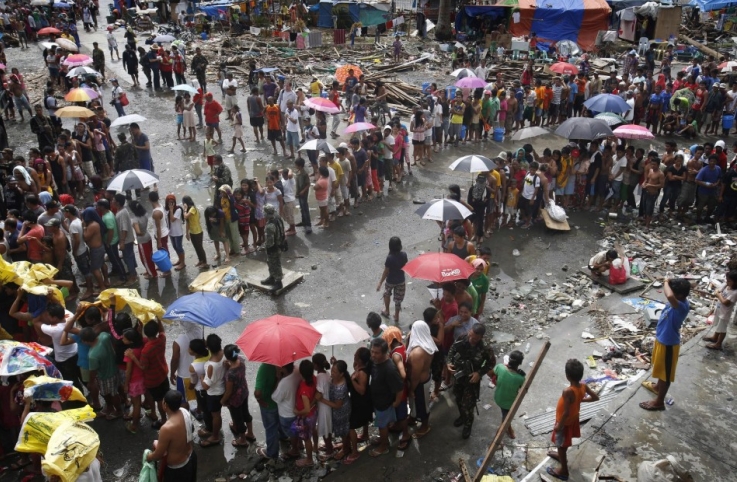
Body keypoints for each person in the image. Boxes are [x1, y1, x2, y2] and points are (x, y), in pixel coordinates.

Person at [640, 278, 691, 411]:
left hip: (669, 344)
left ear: (679, 295)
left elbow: (668, 295)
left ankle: (659, 402)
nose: (670, 294)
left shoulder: (681, 306)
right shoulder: (677, 301)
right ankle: (657, 387)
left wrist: (666, 282)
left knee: (665, 375)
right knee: (660, 368)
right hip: (662, 339)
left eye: (673, 292)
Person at [546, 359, 599, 481]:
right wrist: (580, 400)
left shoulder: (568, 391)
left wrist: (559, 426)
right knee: (563, 443)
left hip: (565, 422)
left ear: (567, 376)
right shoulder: (583, 386)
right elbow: (596, 397)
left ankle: (563, 471)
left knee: (561, 445)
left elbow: (566, 412)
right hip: (573, 419)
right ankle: (561, 456)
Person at [446, 323, 496, 438]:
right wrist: (449, 363)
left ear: (481, 337)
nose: (471, 339)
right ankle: (462, 417)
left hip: (471, 380)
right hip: (458, 376)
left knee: (468, 405)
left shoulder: (485, 348)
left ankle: (468, 424)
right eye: (471, 335)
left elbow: (491, 363)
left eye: (475, 338)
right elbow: (452, 350)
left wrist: (479, 373)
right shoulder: (462, 338)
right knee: (458, 398)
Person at [145, 390, 197, 482]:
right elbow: (191, 429)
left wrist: (148, 457)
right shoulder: (184, 412)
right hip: (191, 458)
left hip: (177, 469)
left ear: (165, 405)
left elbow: (158, 455)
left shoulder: (166, 428)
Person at [368, 338, 404, 457]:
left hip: (384, 403)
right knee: (382, 424)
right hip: (377, 400)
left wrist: (397, 402)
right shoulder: (374, 361)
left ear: (384, 353)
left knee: (382, 425)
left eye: (376, 353)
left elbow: (400, 387)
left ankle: (384, 446)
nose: (373, 355)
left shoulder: (389, 369)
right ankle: (383, 439)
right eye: (372, 351)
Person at [81, 327, 123, 420]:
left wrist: (91, 382)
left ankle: (118, 411)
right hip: (115, 370)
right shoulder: (104, 336)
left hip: (105, 377)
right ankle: (110, 407)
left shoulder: (92, 355)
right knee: (114, 392)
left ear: (85, 341)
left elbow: (93, 371)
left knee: (110, 394)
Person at [407, 319, 437, 438]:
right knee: (417, 403)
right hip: (425, 378)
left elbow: (415, 376)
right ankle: (413, 418)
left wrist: (411, 389)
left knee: (422, 405)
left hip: (419, 382)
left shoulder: (418, 353)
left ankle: (425, 426)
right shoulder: (427, 342)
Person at [221, 345, 256, 447]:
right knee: (246, 413)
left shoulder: (230, 374)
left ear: (227, 357)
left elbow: (228, 391)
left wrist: (223, 400)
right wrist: (229, 365)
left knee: (238, 419)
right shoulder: (241, 360)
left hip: (235, 400)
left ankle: (242, 440)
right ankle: (250, 433)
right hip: (244, 392)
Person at [254, 363, 283, 467]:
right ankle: (284, 436)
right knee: (279, 421)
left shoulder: (264, 368)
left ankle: (272, 453)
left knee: (271, 429)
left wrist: (259, 400)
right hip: (281, 401)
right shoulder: (283, 363)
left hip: (268, 404)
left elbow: (258, 392)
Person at [272, 362, 302, 460]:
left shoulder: (283, 383)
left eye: (278, 367)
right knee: (297, 429)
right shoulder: (297, 370)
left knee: (292, 432)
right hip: (298, 408)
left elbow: (275, 397)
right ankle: (300, 443)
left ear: (283, 369)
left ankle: (294, 450)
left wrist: (278, 379)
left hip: (287, 414)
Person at [200, 334, 225, 447]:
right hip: (222, 388)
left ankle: (215, 436)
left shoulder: (210, 366)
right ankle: (215, 432)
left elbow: (206, 386)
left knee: (216, 415)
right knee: (217, 414)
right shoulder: (224, 353)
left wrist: (201, 377)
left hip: (214, 393)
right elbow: (236, 354)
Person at [493, 350, 525, 439]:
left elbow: (492, 374)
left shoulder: (500, 367)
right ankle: (496, 441)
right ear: (520, 363)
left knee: (505, 415)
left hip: (498, 397)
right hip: (508, 404)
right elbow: (522, 389)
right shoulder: (520, 378)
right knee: (505, 421)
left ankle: (510, 430)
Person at [702, 271, 737, 350]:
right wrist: (718, 293)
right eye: (727, 280)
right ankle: (715, 337)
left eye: (729, 281)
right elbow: (717, 290)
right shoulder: (726, 285)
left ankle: (718, 343)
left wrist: (718, 295)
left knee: (722, 329)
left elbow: (726, 302)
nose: (727, 282)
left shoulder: (734, 293)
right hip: (719, 309)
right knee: (718, 325)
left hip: (725, 313)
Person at [376, 236, 407, 322]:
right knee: (398, 298)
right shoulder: (404, 255)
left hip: (390, 280)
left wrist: (380, 283)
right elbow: (404, 264)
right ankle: (396, 315)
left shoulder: (389, 258)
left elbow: (386, 272)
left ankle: (387, 311)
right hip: (401, 280)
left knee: (387, 294)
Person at [261, 204, 285, 293]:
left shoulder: (270, 226)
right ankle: (272, 277)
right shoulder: (277, 218)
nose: (263, 214)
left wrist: (264, 248)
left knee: (275, 264)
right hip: (280, 243)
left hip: (274, 248)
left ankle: (278, 282)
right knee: (270, 262)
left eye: (264, 213)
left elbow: (270, 242)